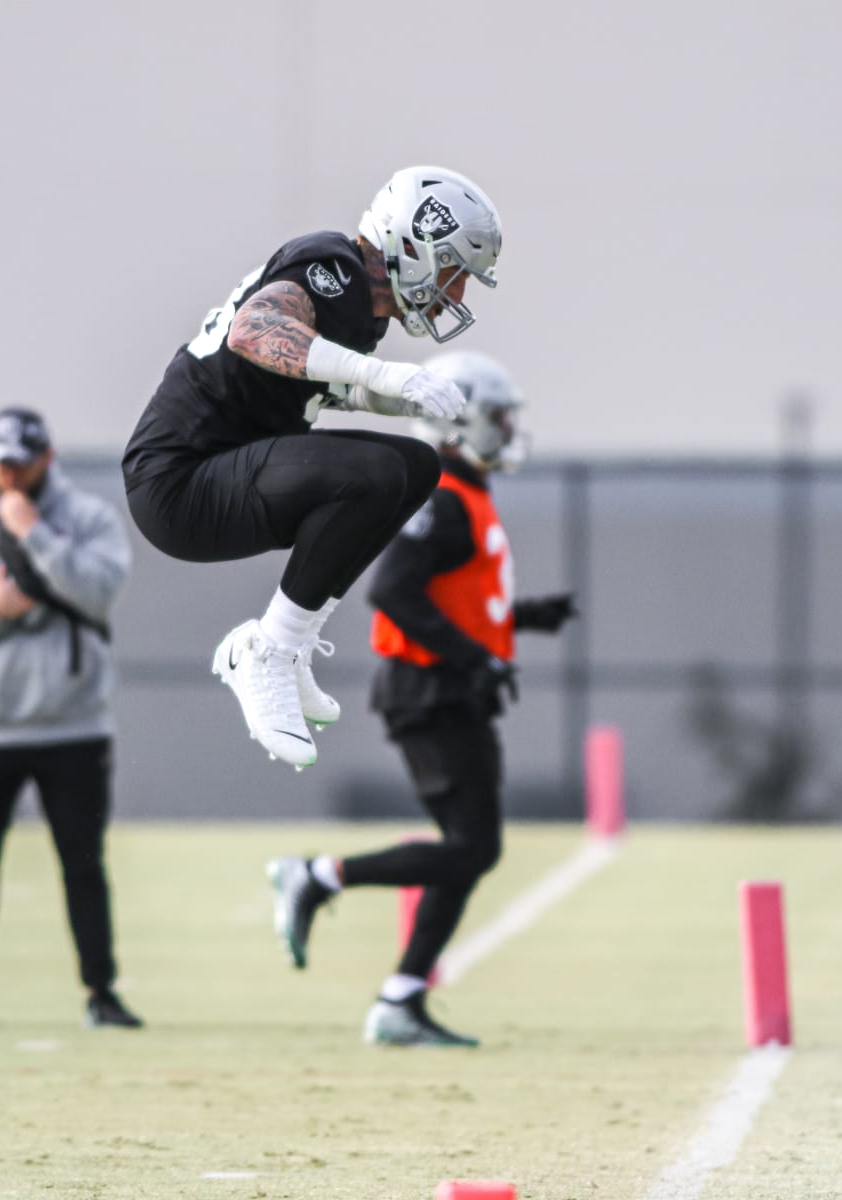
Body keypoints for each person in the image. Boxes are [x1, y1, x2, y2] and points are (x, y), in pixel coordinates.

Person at [122, 166, 503, 771]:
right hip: (180, 481)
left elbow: (319, 389)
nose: (455, 295)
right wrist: (388, 375)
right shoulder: (335, 266)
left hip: (225, 467)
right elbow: (255, 330)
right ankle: (267, 653)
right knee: (373, 474)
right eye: (454, 273)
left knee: (416, 465)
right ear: (414, 243)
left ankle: (288, 645)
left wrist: (395, 398)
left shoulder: (365, 314)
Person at [266, 351, 578, 1046]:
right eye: (497, 416)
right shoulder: (442, 498)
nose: (505, 429)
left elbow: (455, 601)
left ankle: (402, 998)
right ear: (463, 417)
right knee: (472, 848)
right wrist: (477, 657)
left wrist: (524, 618)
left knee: (469, 849)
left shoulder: (465, 495)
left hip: (449, 689)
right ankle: (317, 878)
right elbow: (393, 592)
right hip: (428, 691)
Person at [0, 407, 142, 1029]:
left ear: (46, 457)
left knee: (84, 863)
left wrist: (33, 533)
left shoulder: (90, 520)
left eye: (18, 461)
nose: (6, 475)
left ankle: (102, 993)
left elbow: (99, 591)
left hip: (74, 726)